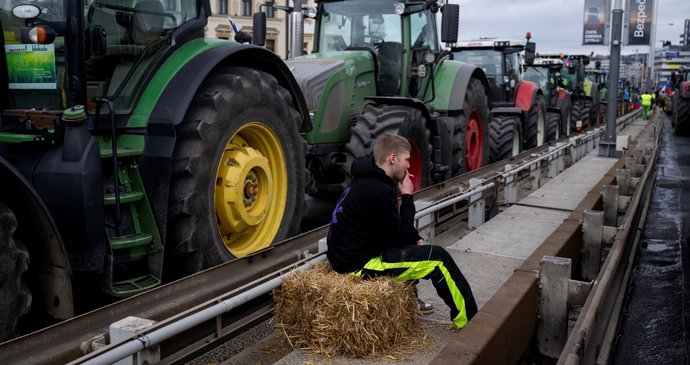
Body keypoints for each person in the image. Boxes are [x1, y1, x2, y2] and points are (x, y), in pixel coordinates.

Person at [326, 134, 478, 329]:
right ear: (392, 158)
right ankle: (470, 322)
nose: (408, 165)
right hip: (358, 265)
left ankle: (411, 300)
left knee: (414, 248)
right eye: (407, 160)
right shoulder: (379, 190)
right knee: (438, 259)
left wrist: (415, 238)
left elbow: (394, 228)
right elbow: (400, 234)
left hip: (349, 255)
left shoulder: (366, 179)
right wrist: (407, 197)